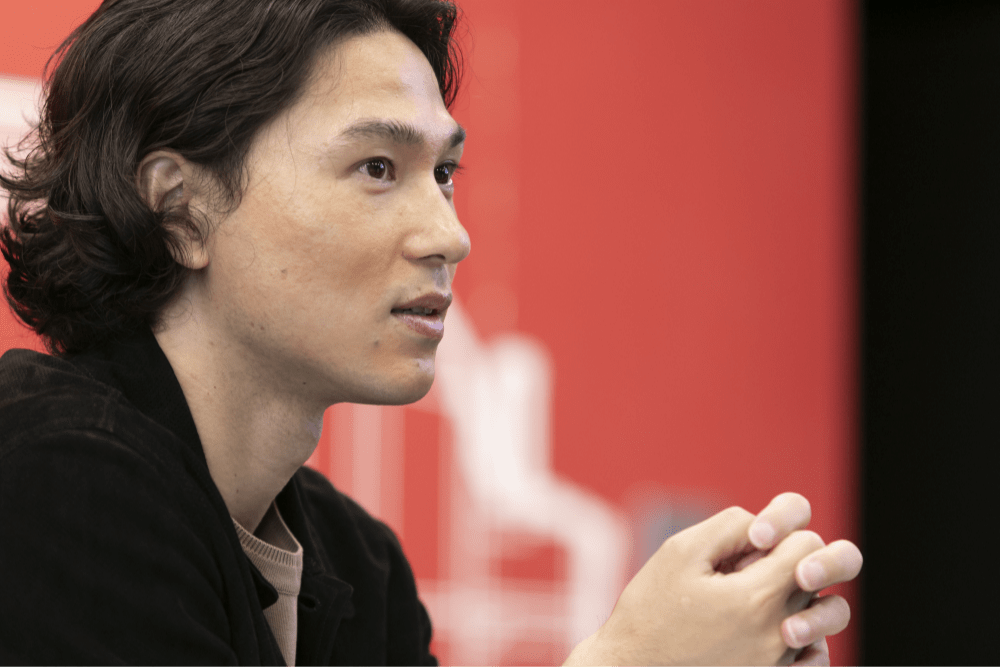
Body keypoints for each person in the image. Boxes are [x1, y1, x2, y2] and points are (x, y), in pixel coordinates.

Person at [0, 0, 862, 665]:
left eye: (444, 172)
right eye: (378, 167)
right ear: (179, 209)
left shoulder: (358, 564)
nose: (450, 234)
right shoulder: (50, 473)